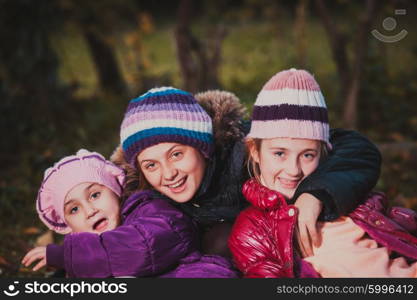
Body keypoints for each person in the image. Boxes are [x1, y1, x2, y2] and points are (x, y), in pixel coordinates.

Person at [111, 85, 382, 258]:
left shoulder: (243, 144)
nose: (168, 173)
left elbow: (354, 147)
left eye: (176, 155)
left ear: (203, 146)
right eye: (151, 165)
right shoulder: (144, 197)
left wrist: (315, 194)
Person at [228, 68, 417, 277]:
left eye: (307, 155)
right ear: (255, 151)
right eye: (280, 153)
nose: (294, 170)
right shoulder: (254, 228)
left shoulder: (345, 197)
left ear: (323, 152)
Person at [22, 149, 238, 278]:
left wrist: (66, 257)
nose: (90, 211)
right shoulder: (83, 256)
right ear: (67, 224)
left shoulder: (151, 212)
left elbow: (139, 248)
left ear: (115, 192)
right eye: (74, 209)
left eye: (95, 195)